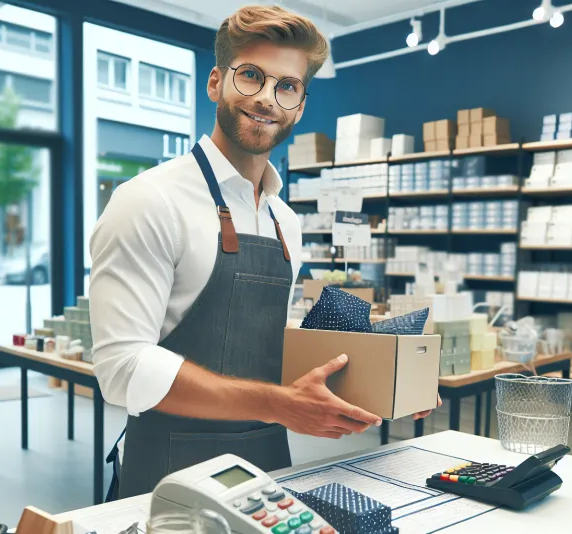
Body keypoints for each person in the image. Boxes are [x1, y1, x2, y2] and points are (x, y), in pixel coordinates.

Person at [89, 5, 439, 500]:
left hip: (269, 473)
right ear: (216, 82)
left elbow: (257, 355)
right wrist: (280, 405)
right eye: (250, 76)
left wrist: (388, 384)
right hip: (169, 477)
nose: (267, 99)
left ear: (300, 102)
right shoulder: (148, 201)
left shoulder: (285, 221)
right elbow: (122, 369)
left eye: (287, 86)